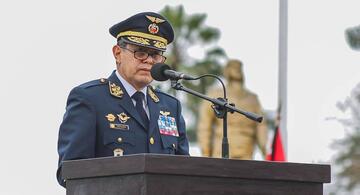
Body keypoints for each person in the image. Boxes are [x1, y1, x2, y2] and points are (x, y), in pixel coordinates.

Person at [57, 12, 190, 187]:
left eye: (156, 55)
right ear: (117, 53)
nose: (149, 61)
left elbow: (185, 172)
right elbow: (70, 172)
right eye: (140, 53)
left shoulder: (171, 106)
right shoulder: (90, 98)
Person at [197, 59, 267, 160]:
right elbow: (204, 126)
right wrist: (206, 153)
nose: (237, 70)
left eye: (239, 67)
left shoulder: (252, 99)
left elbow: (261, 127)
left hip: (246, 153)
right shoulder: (216, 94)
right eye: (233, 67)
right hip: (221, 152)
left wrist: (266, 151)